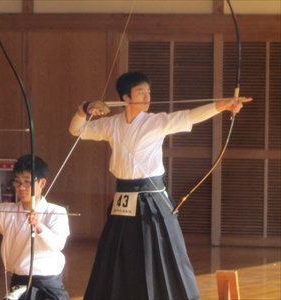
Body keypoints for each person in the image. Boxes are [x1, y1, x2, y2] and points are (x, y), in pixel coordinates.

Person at [69, 71, 252, 300]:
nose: (147, 97)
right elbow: (77, 130)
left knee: (163, 252)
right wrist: (84, 108)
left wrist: (221, 106)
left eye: (148, 92)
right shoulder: (112, 124)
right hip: (123, 196)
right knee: (117, 253)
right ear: (126, 98)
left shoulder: (156, 121)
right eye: (140, 92)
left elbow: (189, 116)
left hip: (151, 197)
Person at [0, 154, 70, 300]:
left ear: (42, 183)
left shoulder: (56, 212)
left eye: (27, 182)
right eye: (17, 182)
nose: (21, 188)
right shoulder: (7, 211)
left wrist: (39, 226)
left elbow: (57, 244)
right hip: (19, 283)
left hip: (49, 286)